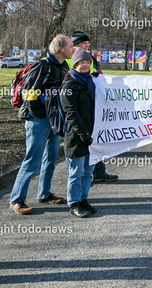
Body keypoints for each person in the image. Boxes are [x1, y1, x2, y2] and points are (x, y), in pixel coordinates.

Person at [9, 34, 74, 215]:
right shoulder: (41, 66)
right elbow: (29, 93)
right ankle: (16, 200)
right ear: (61, 49)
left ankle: (44, 194)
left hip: (53, 120)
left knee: (50, 159)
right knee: (32, 160)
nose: (73, 49)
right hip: (38, 120)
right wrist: (41, 115)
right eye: (70, 46)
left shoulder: (63, 66)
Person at [67, 31, 118, 183]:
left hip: (94, 104)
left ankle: (98, 171)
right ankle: (82, 177)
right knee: (83, 143)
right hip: (79, 105)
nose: (86, 46)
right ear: (74, 45)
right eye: (83, 44)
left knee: (95, 140)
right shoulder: (69, 59)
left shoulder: (91, 58)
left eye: (88, 44)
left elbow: (99, 75)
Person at [60, 49, 98, 218]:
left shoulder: (91, 81)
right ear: (75, 64)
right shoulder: (68, 86)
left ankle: (83, 199)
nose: (85, 65)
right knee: (76, 172)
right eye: (82, 62)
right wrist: (83, 134)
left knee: (88, 171)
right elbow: (71, 114)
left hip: (92, 135)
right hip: (76, 137)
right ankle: (74, 203)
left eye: (88, 62)